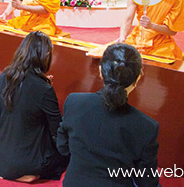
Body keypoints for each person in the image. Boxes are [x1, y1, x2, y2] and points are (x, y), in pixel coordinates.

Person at [57, 43, 160, 186]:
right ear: (137, 79)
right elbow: (147, 181)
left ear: (100, 71)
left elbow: (62, 147)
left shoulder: (74, 102)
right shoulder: (146, 127)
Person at [0, 31, 69, 182]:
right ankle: (28, 174)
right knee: (66, 149)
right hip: (25, 162)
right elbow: (56, 130)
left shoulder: (5, 76)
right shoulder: (43, 89)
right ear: (45, 55)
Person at [118, 0, 184, 60]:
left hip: (161, 42)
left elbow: (172, 31)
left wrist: (152, 26)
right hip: (137, 38)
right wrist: (122, 36)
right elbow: (128, 20)